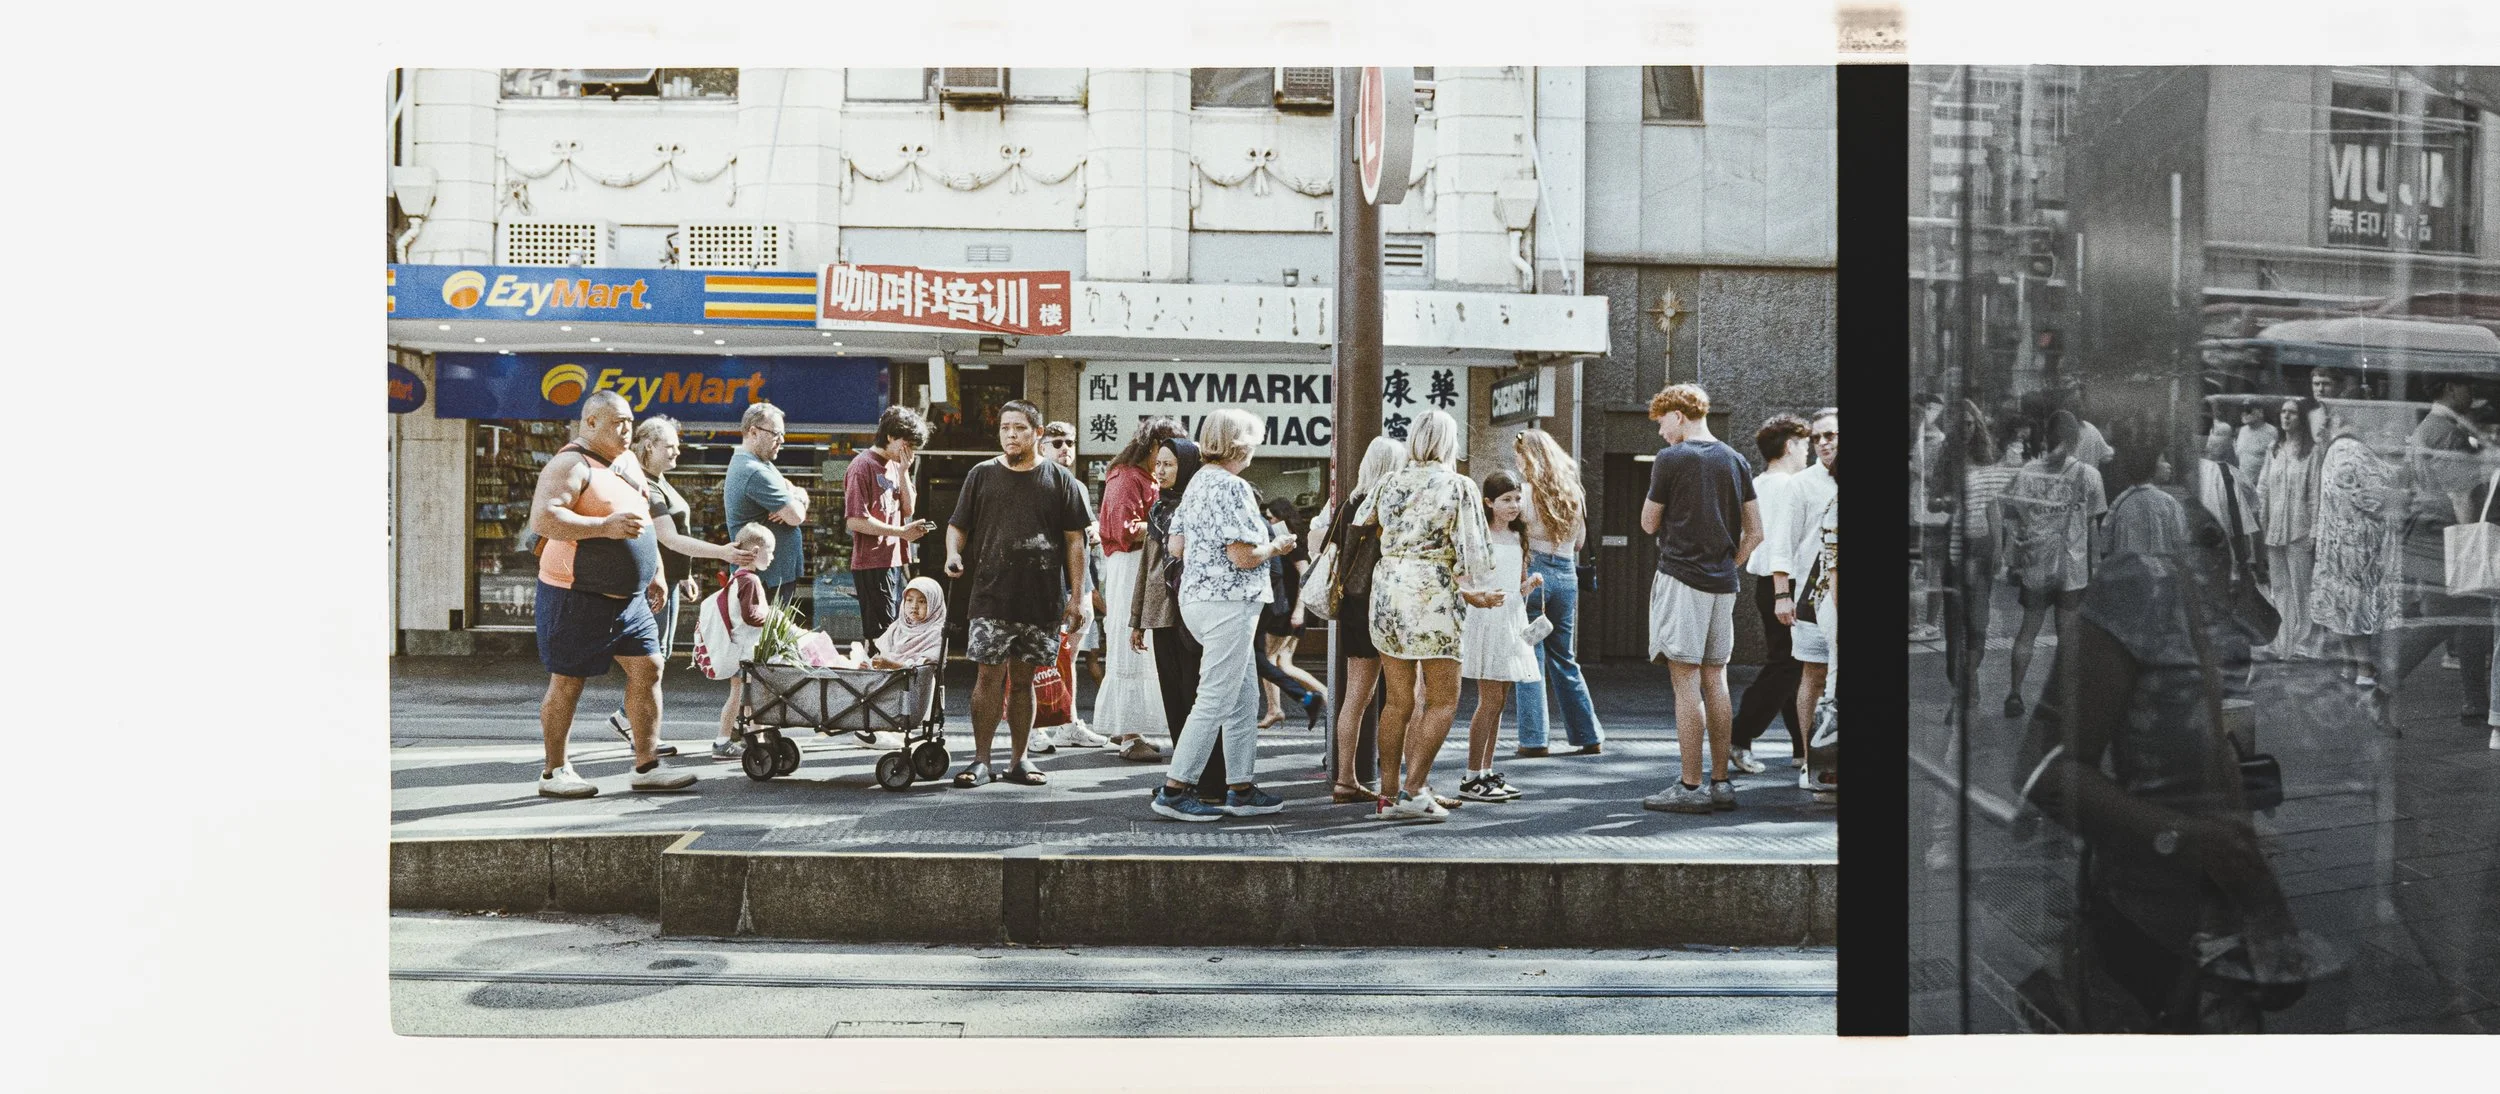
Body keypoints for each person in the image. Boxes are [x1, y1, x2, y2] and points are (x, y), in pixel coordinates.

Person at [2012, 421, 2307, 1032]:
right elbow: (2044, 771)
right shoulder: (2137, 588)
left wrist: (2252, 883)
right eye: (2211, 546)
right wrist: (2185, 838)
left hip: (2206, 923)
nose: (2226, 563)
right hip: (2145, 920)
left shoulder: (2198, 595)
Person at [525, 390, 699, 798]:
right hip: (576, 592)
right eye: (618, 422)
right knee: (568, 681)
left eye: (630, 422)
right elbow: (544, 518)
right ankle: (554, 771)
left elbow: (645, 521)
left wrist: (655, 571)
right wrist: (603, 527)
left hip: (630, 598)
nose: (627, 430)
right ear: (590, 423)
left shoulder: (628, 463)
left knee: (649, 668)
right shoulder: (570, 464)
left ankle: (646, 766)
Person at [1147, 410, 1300, 822]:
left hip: (1197, 602)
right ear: (1240, 444)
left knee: (1243, 697)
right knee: (1215, 698)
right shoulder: (1234, 487)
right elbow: (1243, 556)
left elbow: (1176, 546)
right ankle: (1175, 789)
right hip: (1229, 604)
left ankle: (1241, 786)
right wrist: (1278, 547)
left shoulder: (1198, 481)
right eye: (1254, 441)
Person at [1355, 410, 1504, 822]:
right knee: (1442, 700)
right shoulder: (1458, 485)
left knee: (1397, 701)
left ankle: (1387, 795)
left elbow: (1363, 519)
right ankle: (1415, 789)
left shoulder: (1389, 481)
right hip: (1433, 595)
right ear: (1449, 442)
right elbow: (1477, 555)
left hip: (1388, 592)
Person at [943, 399, 1093, 787]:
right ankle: (980, 761)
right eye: (1005, 428)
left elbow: (1075, 542)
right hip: (991, 596)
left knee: (1025, 682)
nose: (1011, 434)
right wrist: (953, 554)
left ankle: (1019, 760)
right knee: (987, 678)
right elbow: (957, 525)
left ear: (1037, 434)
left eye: (1020, 428)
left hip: (1041, 599)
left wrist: (1077, 596)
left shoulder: (1060, 480)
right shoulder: (981, 474)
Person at [1636, 383, 1764, 815]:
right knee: (1716, 678)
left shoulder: (1672, 458)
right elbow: (1756, 531)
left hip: (1682, 578)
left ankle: (1690, 786)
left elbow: (1648, 523)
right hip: (1723, 584)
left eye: (1661, 423)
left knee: (1686, 681)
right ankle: (1720, 782)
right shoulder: (1736, 459)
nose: (1661, 433)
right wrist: (1730, 564)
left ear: (1678, 415)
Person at [602, 416, 758, 759]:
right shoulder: (646, 486)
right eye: (670, 446)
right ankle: (638, 730)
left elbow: (670, 542)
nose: (677, 451)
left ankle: (627, 718)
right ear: (648, 446)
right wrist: (722, 552)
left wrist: (684, 573)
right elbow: (668, 538)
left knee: (659, 655)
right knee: (650, 658)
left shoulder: (659, 481)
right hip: (651, 584)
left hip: (668, 582)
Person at [2374, 376, 2494, 727]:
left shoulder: (2427, 427)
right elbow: (2462, 494)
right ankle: (2381, 688)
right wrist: (2471, 544)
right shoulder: (2446, 433)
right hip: (2445, 540)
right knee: (2440, 622)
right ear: (2450, 388)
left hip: (2429, 536)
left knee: (2471, 619)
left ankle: (2476, 702)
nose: (2472, 394)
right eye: (2467, 387)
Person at [2000, 411, 2107, 720]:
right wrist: (2095, 566)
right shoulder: (2089, 475)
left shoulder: (2028, 472)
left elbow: (2014, 516)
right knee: (2067, 637)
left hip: (2037, 564)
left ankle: (2015, 694)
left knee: (2028, 631)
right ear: (2075, 439)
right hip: (2072, 567)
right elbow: (2092, 525)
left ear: (2047, 437)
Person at [1509, 428, 1606, 758]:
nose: (1517, 462)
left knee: (1530, 655)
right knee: (1564, 657)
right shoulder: (1573, 492)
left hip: (1534, 577)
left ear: (1529, 457)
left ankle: (1534, 739)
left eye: (1519, 456)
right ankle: (1588, 734)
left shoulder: (1524, 495)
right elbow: (1578, 544)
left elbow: (1515, 539)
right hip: (1566, 575)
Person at [1128, 435, 1219, 782]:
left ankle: (1207, 776)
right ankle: (1183, 775)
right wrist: (1137, 619)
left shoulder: (1199, 506)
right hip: (1161, 615)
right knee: (1174, 700)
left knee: (1195, 695)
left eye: (1169, 464)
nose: (1161, 471)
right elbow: (1146, 567)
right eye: (1158, 464)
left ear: (1188, 466)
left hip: (1192, 613)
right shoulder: (1158, 509)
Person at [1321, 436, 1407, 802]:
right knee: (1403, 696)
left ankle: (1345, 778)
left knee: (1356, 696)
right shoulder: (1394, 504)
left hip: (1353, 606)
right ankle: (1398, 781)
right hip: (1389, 604)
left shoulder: (1349, 504)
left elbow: (1327, 547)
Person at [1730, 414, 1813, 774]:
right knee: (1788, 664)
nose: (1809, 451)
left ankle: (1802, 747)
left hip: (1769, 584)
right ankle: (1739, 735)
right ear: (1790, 446)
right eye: (1805, 444)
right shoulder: (1789, 486)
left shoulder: (1760, 483)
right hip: (1786, 585)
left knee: (1790, 665)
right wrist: (1785, 593)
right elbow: (1784, 541)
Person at [1097, 417, 1185, 752]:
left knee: (1140, 647)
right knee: (1130, 644)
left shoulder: (1140, 476)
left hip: (1141, 564)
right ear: (1153, 446)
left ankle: (1129, 729)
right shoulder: (1127, 477)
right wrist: (1168, 523)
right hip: (1130, 564)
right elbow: (1125, 530)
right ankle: (1129, 734)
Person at [1457, 471, 1543, 802]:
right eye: (1506, 499)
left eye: (1518, 498)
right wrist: (1480, 595)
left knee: (1500, 701)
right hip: (1487, 618)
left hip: (1512, 618)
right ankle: (1471, 776)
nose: (1514, 505)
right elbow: (1464, 580)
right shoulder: (1479, 537)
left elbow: (1517, 587)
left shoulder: (1519, 536)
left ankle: (1486, 771)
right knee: (1489, 700)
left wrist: (1529, 585)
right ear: (1489, 502)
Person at [1768, 408, 1840, 782]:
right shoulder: (1801, 484)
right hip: (1813, 597)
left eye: (1831, 435)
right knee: (1813, 674)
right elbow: (1782, 542)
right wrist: (1782, 593)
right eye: (1817, 437)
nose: (1823, 443)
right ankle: (1812, 758)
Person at [1032, 420, 1111, 750]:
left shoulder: (1076, 486)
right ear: (1042, 447)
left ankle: (1067, 723)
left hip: (1078, 585)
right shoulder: (1035, 484)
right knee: (1038, 657)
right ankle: (1034, 727)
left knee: (1068, 658)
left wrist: (1093, 530)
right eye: (1057, 443)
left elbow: (1086, 533)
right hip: (1047, 585)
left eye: (1070, 442)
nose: (1065, 448)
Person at [2310, 407, 2399, 692]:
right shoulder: (2352, 450)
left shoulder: (2335, 449)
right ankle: (2363, 668)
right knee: (2355, 608)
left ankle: (2351, 664)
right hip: (2356, 542)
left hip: (2338, 539)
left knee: (2342, 604)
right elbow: (2372, 496)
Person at [844, 406, 934, 652]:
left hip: (894, 559)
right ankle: (876, 674)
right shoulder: (862, 466)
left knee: (895, 629)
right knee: (881, 633)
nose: (910, 451)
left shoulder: (895, 465)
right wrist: (901, 533)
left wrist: (904, 472)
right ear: (891, 436)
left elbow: (909, 508)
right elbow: (855, 521)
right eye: (907, 443)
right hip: (872, 562)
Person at [706, 523, 785, 756]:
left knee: (744, 697)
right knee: (744, 697)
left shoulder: (737, 578)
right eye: (770, 552)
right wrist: (773, 616)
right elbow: (750, 615)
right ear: (756, 551)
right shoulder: (750, 580)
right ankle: (726, 741)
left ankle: (751, 738)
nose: (772, 557)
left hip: (739, 650)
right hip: (746, 652)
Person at [725, 401, 808, 620]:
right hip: (766, 579)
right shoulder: (754, 471)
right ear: (753, 432)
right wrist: (795, 500)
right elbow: (796, 516)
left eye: (782, 434)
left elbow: (795, 492)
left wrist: (797, 495)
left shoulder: (761, 464)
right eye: (776, 434)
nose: (782, 440)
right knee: (766, 636)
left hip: (771, 575)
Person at [1254, 496, 1329, 731]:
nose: (1268, 522)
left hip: (1285, 610)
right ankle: (1323, 697)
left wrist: (1299, 610)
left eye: (1270, 518)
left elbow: (1305, 575)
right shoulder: (1287, 540)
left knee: (1268, 659)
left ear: (1281, 518)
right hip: (1289, 609)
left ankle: (1278, 708)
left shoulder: (1291, 544)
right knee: (1283, 664)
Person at [2255, 399, 2319, 660]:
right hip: (2274, 528)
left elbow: (2314, 493)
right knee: (2280, 588)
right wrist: (2258, 522)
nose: (2286, 417)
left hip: (2299, 529)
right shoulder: (2273, 448)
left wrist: (2315, 529)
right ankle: (2283, 644)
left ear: (2301, 418)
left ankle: (2305, 641)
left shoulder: (2311, 451)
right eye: (2283, 412)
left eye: (2292, 413)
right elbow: (2263, 488)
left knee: (2302, 588)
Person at [869, 576, 948, 670]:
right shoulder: (897, 627)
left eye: (922, 601)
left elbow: (924, 670)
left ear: (934, 604)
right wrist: (870, 665)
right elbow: (882, 657)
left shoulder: (936, 633)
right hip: (887, 678)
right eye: (909, 600)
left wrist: (893, 665)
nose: (914, 606)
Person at [2235, 402, 2278, 489]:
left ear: (2260, 412)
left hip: (2263, 487)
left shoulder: (2272, 432)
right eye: (2242, 410)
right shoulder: (2242, 431)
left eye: (2248, 410)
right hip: (2243, 486)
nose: (2244, 414)